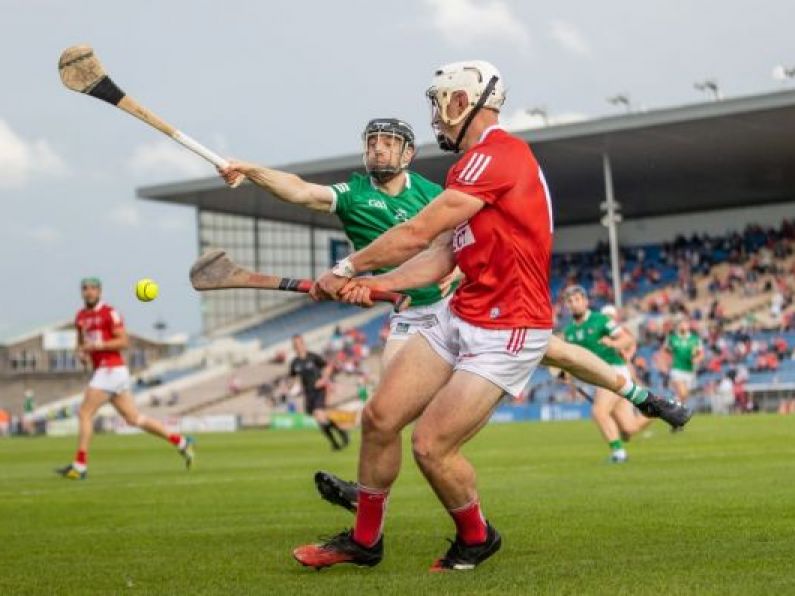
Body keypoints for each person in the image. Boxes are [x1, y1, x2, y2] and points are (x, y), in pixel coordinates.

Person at [292, 61, 689, 572]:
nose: (435, 119)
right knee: (379, 418)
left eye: (439, 105)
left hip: (508, 328)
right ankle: (365, 542)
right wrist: (374, 284)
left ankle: (476, 537)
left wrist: (347, 266)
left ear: (462, 103)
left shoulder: (501, 156)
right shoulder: (470, 168)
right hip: (463, 310)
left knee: (431, 446)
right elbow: (439, 256)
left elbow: (415, 232)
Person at [220, 113, 689, 511]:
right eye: (373, 142)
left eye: (389, 143)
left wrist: (455, 274)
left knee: (557, 350)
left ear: (407, 153)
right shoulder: (353, 194)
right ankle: (367, 497)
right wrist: (254, 170)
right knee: (383, 414)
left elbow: (461, 240)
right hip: (407, 315)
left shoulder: (433, 190)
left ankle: (644, 397)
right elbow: (301, 191)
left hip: (455, 304)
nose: (378, 150)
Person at [55, 278, 194, 480]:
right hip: (104, 372)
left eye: (93, 289)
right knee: (133, 418)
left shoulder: (109, 313)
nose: (89, 292)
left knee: (85, 413)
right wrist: (82, 354)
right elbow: (81, 344)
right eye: (85, 289)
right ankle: (180, 442)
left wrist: (97, 346)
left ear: (100, 291)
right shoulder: (80, 317)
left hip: (111, 369)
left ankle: (80, 465)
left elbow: (123, 341)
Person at [562, 287, 652, 463]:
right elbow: (571, 359)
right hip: (599, 378)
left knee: (599, 411)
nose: (574, 304)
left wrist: (612, 343)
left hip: (614, 371)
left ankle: (618, 453)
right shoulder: (569, 332)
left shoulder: (601, 320)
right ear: (567, 305)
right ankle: (661, 409)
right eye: (570, 301)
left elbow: (627, 339)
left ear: (586, 301)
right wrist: (566, 373)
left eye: (577, 299)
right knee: (629, 428)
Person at [288, 334, 349, 450]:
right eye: (295, 344)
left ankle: (340, 437)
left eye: (299, 343)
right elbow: (293, 378)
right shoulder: (294, 363)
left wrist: (324, 379)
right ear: (293, 346)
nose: (298, 346)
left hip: (319, 390)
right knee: (320, 419)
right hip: (308, 393)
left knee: (318, 414)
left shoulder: (313, 357)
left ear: (303, 344)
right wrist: (292, 387)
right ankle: (337, 439)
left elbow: (328, 367)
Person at [664, 315, 704, 407]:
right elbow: (665, 352)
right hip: (677, 369)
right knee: (682, 393)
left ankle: (673, 408)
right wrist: (665, 364)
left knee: (684, 396)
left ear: (688, 325)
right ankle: (674, 407)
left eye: (685, 323)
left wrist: (696, 359)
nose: (683, 325)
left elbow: (701, 354)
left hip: (689, 370)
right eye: (681, 323)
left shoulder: (695, 339)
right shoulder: (672, 338)